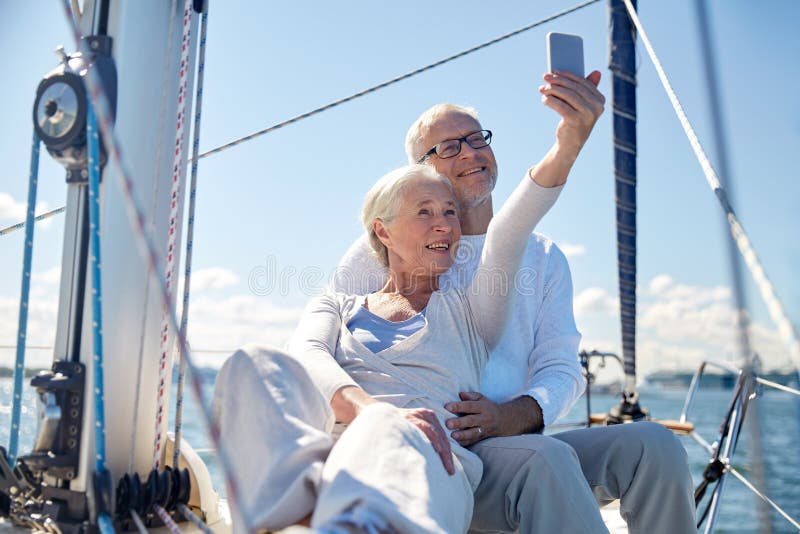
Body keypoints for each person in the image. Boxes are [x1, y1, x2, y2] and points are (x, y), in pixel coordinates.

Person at [334, 70, 696, 533]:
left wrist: (512, 415)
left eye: (475, 138)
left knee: (655, 445)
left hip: (523, 439)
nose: (469, 152)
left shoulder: (542, 257)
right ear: (419, 172)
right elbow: (339, 349)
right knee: (544, 458)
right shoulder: (377, 254)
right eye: (447, 147)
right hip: (448, 452)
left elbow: (561, 367)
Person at [214, 160, 567, 533]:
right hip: (337, 458)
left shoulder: (470, 308)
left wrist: (567, 145)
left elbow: (510, 231)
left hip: (425, 467)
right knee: (251, 362)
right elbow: (307, 354)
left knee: (388, 429)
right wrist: (371, 411)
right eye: (424, 212)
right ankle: (288, 522)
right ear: (383, 231)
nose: (445, 224)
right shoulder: (335, 305)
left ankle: (352, 523)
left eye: (450, 212)